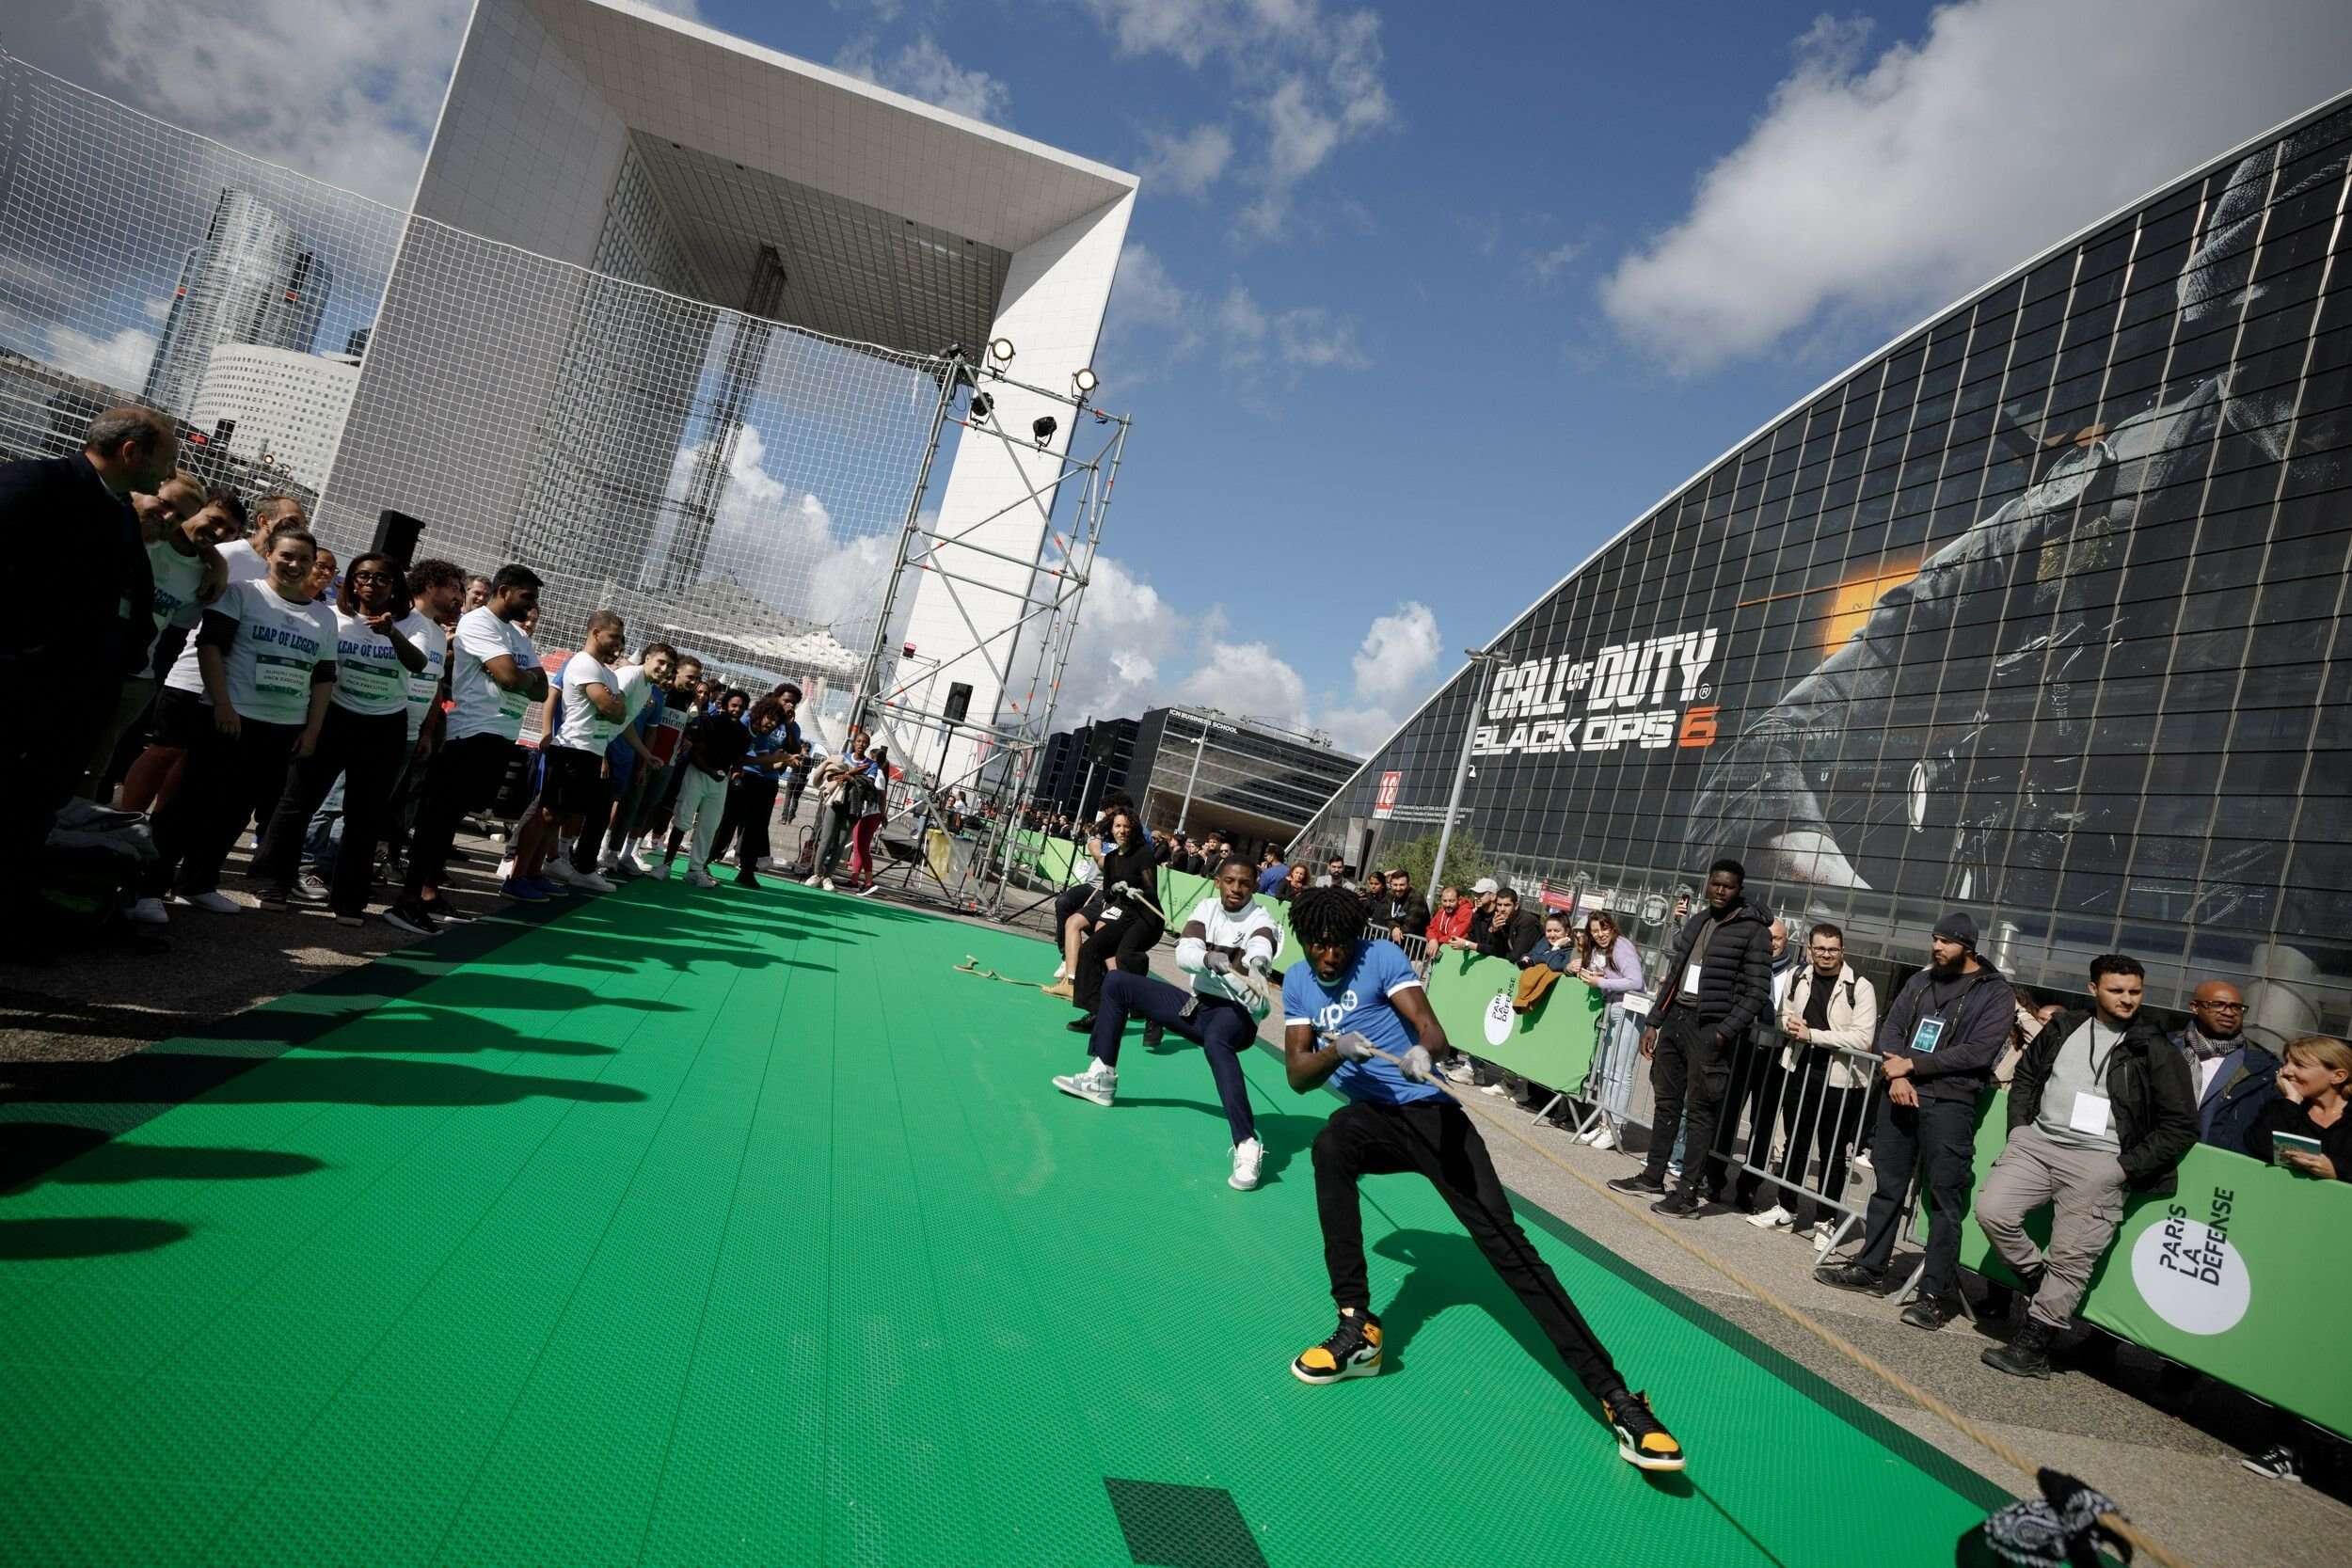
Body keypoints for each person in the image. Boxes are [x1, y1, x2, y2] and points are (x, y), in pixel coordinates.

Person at [1278, 884, 1685, 1472]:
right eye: (1319, 946)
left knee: (1508, 1247)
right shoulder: (1298, 981)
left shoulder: (1381, 958)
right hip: (1373, 1121)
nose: (1330, 956)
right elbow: (1296, 1075)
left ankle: (1619, 1398)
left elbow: (1433, 1033)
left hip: (1430, 1114)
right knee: (1331, 1145)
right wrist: (1338, 1050)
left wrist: (1423, 1053)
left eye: (1338, 944)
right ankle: (1356, 1326)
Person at [1976, 954, 2198, 1376]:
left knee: (2072, 1257)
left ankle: (2034, 1345)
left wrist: (2123, 1168)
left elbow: (2181, 1124)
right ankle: (2039, 1281)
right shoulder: (2064, 1027)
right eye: (2117, 990)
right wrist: (2020, 1131)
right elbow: (2025, 1078)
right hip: (2037, 1145)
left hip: (2100, 1163)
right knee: (1992, 1211)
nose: (2127, 999)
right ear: (2093, 988)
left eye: (2135, 991)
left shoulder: (2154, 1046)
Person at [2, 407, 179, 906]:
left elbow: (132, 598)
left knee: (34, 810)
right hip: (19, 687)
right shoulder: (35, 484)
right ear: (131, 452)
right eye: (166, 460)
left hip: (73, 700)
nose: (168, 476)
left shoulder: (119, 509)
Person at [1817, 911, 2017, 1328]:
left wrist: (1913, 1066)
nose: (1937, 947)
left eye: (1946, 941)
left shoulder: (1995, 993)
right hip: (1899, 1094)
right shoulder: (1921, 980)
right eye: (1935, 939)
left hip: (1950, 1102)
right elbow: (1891, 1027)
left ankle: (1934, 1293)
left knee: (1944, 1198)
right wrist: (1897, 1070)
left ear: (1969, 946)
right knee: (1887, 1186)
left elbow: (1978, 1051)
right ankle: (1871, 1268)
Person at [1052, 855, 1282, 1190]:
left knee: (1218, 1039)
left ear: (1255, 886)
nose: (1236, 889)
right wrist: (1207, 958)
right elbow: (1184, 955)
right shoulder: (1206, 909)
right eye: (1230, 881)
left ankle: (1246, 1144)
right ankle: (1102, 1075)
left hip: (1237, 1016)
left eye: (1245, 883)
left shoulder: (1263, 919)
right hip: (1199, 1006)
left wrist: (1258, 966)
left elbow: (1260, 946)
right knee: (1118, 984)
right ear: (1218, 881)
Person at [143, 527, 337, 915]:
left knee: (235, 811)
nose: (295, 564)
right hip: (228, 719)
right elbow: (210, 647)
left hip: (282, 728)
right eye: (286, 555)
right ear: (268, 554)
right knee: (189, 802)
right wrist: (222, 705)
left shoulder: (323, 617)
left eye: (304, 559)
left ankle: (198, 882)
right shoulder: (242, 594)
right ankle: (147, 888)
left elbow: (323, 677)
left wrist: (312, 730)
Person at [246, 551, 428, 924]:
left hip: (384, 725)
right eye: (362, 576)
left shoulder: (412, 624)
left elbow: (418, 664)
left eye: (381, 578)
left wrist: (391, 632)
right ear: (350, 582)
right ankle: (275, 881)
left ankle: (349, 899)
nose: (370, 584)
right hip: (333, 718)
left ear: (395, 586)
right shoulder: (331, 616)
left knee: (364, 815)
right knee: (298, 802)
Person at [121, 493, 309, 815]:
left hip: (234, 686)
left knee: (189, 762)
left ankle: (159, 830)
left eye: (302, 524)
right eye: (290, 522)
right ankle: (124, 818)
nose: (296, 528)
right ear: (264, 521)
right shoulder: (225, 555)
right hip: (191, 675)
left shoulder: (281, 568)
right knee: (164, 751)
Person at [1605, 860, 1772, 1217]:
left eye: (1728, 886)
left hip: (1710, 1029)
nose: (1720, 891)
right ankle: (1653, 1176)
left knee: (1700, 1112)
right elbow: (1675, 975)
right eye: (1715, 884)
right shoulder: (1699, 920)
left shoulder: (1753, 930)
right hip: (1676, 1020)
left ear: (1738, 889)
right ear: (1708, 884)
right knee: (1666, 1102)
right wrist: (1655, 1021)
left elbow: (1758, 992)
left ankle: (1687, 1193)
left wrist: (1724, 1032)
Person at [388, 565, 548, 934]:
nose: (533, 604)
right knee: (438, 818)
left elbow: (539, 688)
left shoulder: (517, 636)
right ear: (504, 591)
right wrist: (518, 679)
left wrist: (517, 678)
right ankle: (407, 900)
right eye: (528, 596)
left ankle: (429, 893)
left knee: (451, 818)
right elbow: (512, 677)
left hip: (499, 734)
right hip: (471, 732)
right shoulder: (478, 623)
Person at [2237, 1035, 2352, 1483]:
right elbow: (2258, 1144)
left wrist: (2339, 1173)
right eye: (2286, 1063)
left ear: (2338, 1076)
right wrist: (2287, 1102)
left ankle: (2328, 1446)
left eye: (2300, 1065)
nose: (2288, 1072)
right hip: (2295, 1244)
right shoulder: (2285, 1106)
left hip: (2341, 1251)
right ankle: (2286, 1446)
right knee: (2295, 1343)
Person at [1747, 923, 1878, 1243]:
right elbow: (1782, 1015)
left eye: (1832, 949)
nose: (1826, 955)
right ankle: (1786, 1208)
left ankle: (1825, 1219)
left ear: (1842, 951)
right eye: (1820, 948)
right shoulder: (1797, 976)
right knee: (1795, 1142)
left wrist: (1813, 1035)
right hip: (1799, 1068)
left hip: (1841, 1078)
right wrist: (1788, 1024)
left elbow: (1863, 1038)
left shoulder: (1860, 986)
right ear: (1809, 949)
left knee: (1832, 1150)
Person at [523, 610, 643, 895]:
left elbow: (620, 714)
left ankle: (536, 871)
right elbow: (609, 708)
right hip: (572, 750)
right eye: (613, 636)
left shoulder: (608, 675)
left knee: (561, 816)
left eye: (621, 638)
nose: (618, 643)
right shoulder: (583, 663)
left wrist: (615, 704)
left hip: (590, 752)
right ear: (595, 633)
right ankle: (517, 872)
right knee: (548, 814)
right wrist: (614, 704)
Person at [1061, 807, 1164, 1031]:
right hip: (1124, 914)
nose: (1122, 830)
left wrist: (1138, 892)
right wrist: (1116, 890)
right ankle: (1097, 1012)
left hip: (1147, 917)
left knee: (1125, 956)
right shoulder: (1111, 859)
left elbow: (1151, 892)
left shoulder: (1143, 853)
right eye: (1118, 826)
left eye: (1127, 826)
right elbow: (1107, 894)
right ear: (1112, 829)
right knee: (1090, 950)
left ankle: (1154, 1013)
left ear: (1133, 828)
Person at [2176, 980, 2280, 1157]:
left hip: (2219, 1167)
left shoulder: (2265, 1066)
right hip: (2157, 1160)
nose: (2229, 1012)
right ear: (2194, 1007)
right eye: (2217, 1005)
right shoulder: (2164, 1047)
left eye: (2236, 1007)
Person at [711, 682, 800, 883]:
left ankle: (747, 870)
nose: (790, 705)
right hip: (742, 775)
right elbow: (739, 756)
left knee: (757, 826)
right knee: (728, 821)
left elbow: (783, 755)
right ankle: (708, 858)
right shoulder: (751, 719)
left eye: (794, 703)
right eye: (786, 701)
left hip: (766, 781)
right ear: (775, 699)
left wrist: (783, 755)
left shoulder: (783, 726)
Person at [1572, 911, 1645, 1153]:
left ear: (1612, 928)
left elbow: (1635, 981)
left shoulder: (1622, 946)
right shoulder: (1597, 951)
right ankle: (1605, 1123)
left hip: (1629, 1010)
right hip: (1611, 1008)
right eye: (1595, 931)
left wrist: (1601, 982)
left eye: (1603, 929)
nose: (1600, 934)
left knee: (1619, 1071)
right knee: (1605, 1070)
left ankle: (1616, 1127)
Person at [805, 728, 881, 892]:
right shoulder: (842, 758)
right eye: (859, 741)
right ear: (854, 743)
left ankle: (828, 877)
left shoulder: (871, 764)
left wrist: (849, 778)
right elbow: (830, 776)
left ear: (868, 745)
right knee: (826, 838)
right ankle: (817, 873)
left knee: (840, 843)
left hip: (854, 806)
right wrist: (851, 773)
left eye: (865, 742)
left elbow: (868, 784)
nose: (861, 744)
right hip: (835, 802)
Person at [1476, 886, 1543, 963]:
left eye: (1507, 905)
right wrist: (1495, 931)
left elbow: (1516, 956)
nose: (1502, 909)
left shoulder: (1527, 922)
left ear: (1516, 906)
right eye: (1499, 905)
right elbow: (1495, 948)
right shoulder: (1501, 919)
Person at [1371, 869, 1430, 949]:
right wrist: (1394, 927)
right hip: (1394, 944)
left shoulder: (1417, 898)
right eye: (1395, 885)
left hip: (1413, 947)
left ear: (1408, 884)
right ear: (1391, 884)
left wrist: (1397, 930)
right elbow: (1386, 914)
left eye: (1402, 885)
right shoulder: (1390, 894)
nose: (1398, 888)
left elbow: (1410, 925)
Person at [1422, 883, 1470, 947]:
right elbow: (1431, 928)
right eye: (1445, 901)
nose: (1448, 904)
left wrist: (1438, 941)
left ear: (1459, 900)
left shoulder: (1466, 912)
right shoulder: (1441, 912)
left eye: (1451, 901)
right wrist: (1432, 939)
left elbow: (1455, 935)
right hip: (1440, 948)